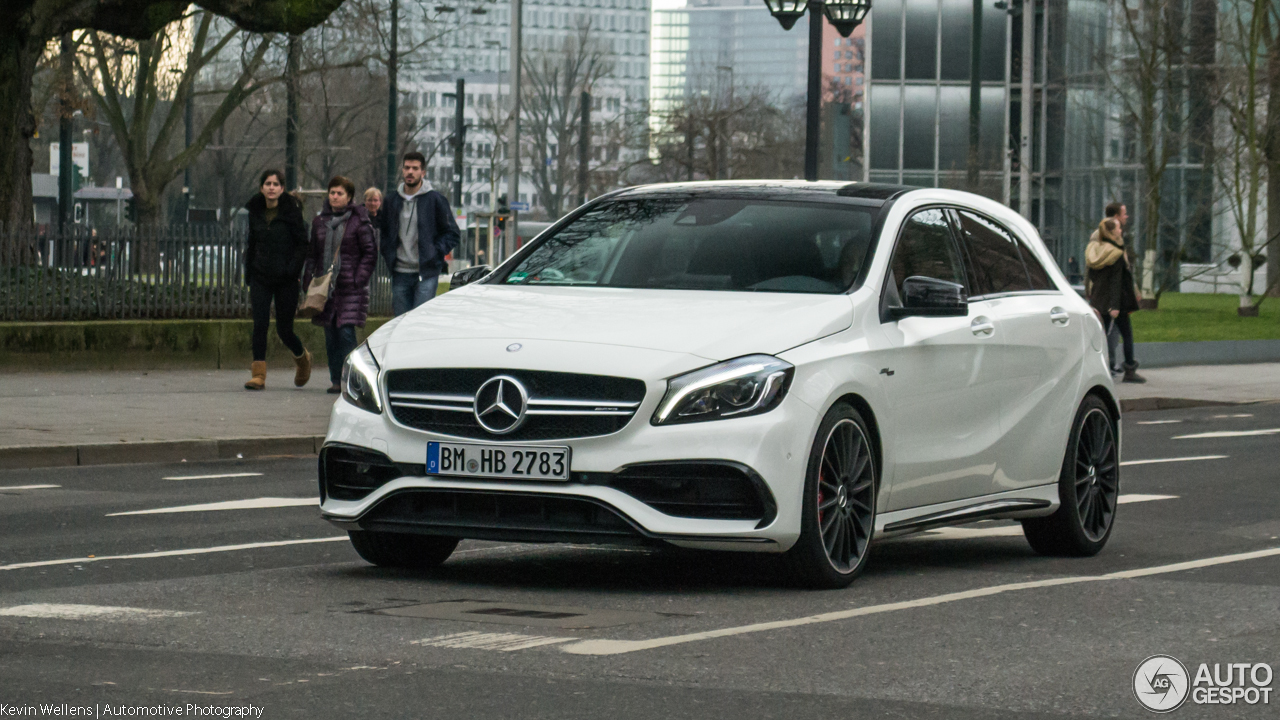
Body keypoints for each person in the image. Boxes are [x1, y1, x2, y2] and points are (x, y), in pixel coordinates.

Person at [305, 175, 377, 393]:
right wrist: (309, 278)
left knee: (346, 333)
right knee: (330, 336)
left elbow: (370, 252)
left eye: (340, 193)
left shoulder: (359, 221)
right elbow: (313, 254)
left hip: (349, 287)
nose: (335, 197)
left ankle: (351, 379)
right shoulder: (319, 222)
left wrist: (359, 278)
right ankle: (335, 379)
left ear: (349, 197)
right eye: (332, 193)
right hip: (326, 288)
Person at [243, 169, 311, 391]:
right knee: (259, 324)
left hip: (286, 279)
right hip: (260, 276)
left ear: (282, 189)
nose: (271, 187)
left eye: (276, 184)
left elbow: (302, 244)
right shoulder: (255, 210)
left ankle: (302, 359)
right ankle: (258, 375)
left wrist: (292, 270)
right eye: (267, 183)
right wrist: (249, 272)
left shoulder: (291, 211)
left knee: (284, 329)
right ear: (261, 187)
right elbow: (251, 243)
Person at [378, 151, 460, 315]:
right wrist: (388, 253)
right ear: (402, 170)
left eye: (415, 168)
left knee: (420, 321)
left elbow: (452, 233)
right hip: (400, 273)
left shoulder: (435, 200)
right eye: (407, 168)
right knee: (399, 322)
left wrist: (434, 252)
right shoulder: (392, 201)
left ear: (423, 172)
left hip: (426, 273)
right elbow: (384, 233)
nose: (410, 172)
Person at [1086, 203, 1145, 383]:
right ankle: (1122, 368)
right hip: (1114, 300)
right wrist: (1116, 304)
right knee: (1118, 334)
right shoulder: (1114, 249)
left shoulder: (1096, 248)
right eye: (1124, 214)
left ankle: (1102, 367)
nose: (1126, 217)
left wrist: (1091, 292)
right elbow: (1116, 279)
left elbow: (1092, 273)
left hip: (1099, 297)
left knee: (1101, 333)